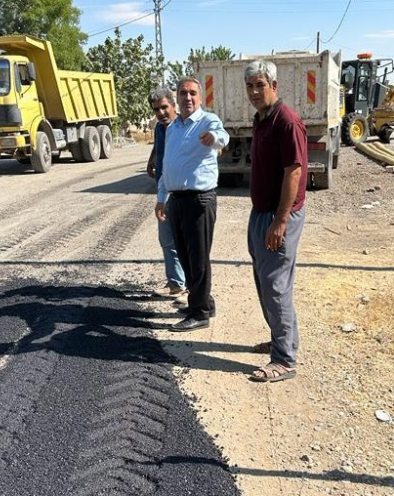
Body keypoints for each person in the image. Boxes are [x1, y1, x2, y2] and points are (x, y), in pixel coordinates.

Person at [244, 60, 307, 382]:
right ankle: (281, 339)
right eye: (250, 86)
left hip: (279, 216)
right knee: (265, 283)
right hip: (261, 214)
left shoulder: (287, 121)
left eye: (260, 85)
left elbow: (293, 172)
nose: (255, 92)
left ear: (274, 86)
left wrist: (280, 222)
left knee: (275, 285)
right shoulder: (261, 120)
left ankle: (284, 359)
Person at [155, 77, 229, 332]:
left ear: (200, 97)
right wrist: (162, 197)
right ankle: (204, 302)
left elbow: (223, 136)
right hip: (176, 199)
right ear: (177, 97)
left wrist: (214, 139)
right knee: (186, 256)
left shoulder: (208, 120)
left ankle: (199, 313)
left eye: (192, 93)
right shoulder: (173, 127)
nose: (188, 97)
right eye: (183, 93)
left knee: (198, 258)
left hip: (199, 200)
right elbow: (167, 165)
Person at [146, 87, 188, 304]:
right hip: (164, 189)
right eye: (156, 110)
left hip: (181, 191)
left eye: (164, 107)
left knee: (186, 240)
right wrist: (152, 159)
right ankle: (175, 284)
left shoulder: (182, 127)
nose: (161, 113)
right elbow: (158, 147)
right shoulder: (160, 129)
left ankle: (190, 289)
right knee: (167, 239)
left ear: (173, 105)